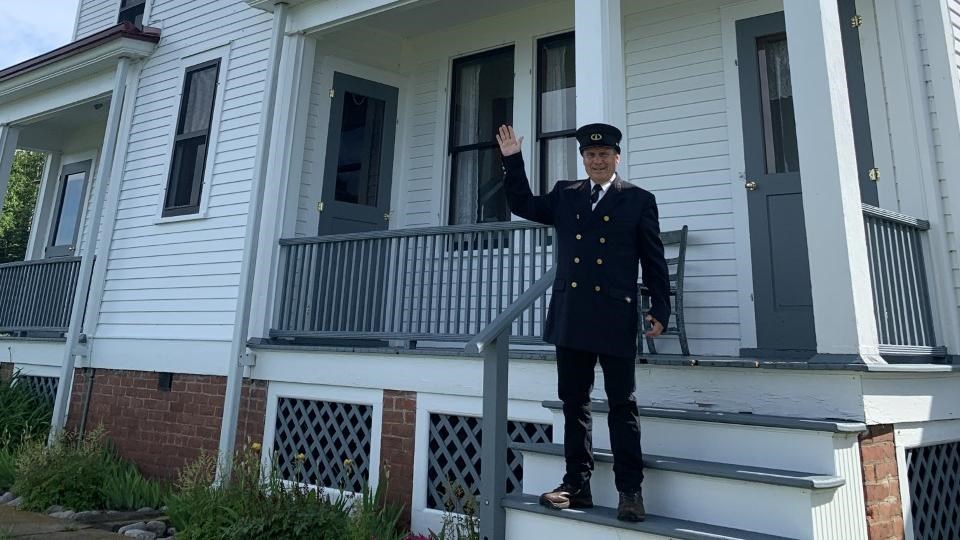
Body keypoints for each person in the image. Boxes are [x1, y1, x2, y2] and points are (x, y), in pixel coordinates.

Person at [496, 123, 669, 522]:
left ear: (617, 157)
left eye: (604, 154)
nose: (597, 160)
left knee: (622, 405)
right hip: (572, 313)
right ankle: (576, 484)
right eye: (590, 155)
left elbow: (653, 260)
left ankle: (630, 491)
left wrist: (660, 308)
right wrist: (512, 161)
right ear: (583, 158)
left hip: (614, 314)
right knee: (574, 403)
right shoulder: (565, 194)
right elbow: (523, 203)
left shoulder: (639, 200)